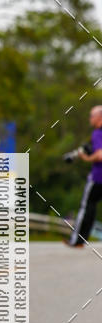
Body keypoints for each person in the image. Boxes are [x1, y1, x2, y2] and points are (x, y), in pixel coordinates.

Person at [66, 105, 102, 248]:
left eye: (91, 116)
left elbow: (100, 155)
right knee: (91, 207)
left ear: (99, 117)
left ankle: (77, 240)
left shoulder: (98, 133)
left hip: (98, 177)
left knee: (87, 206)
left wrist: (85, 158)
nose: (90, 119)